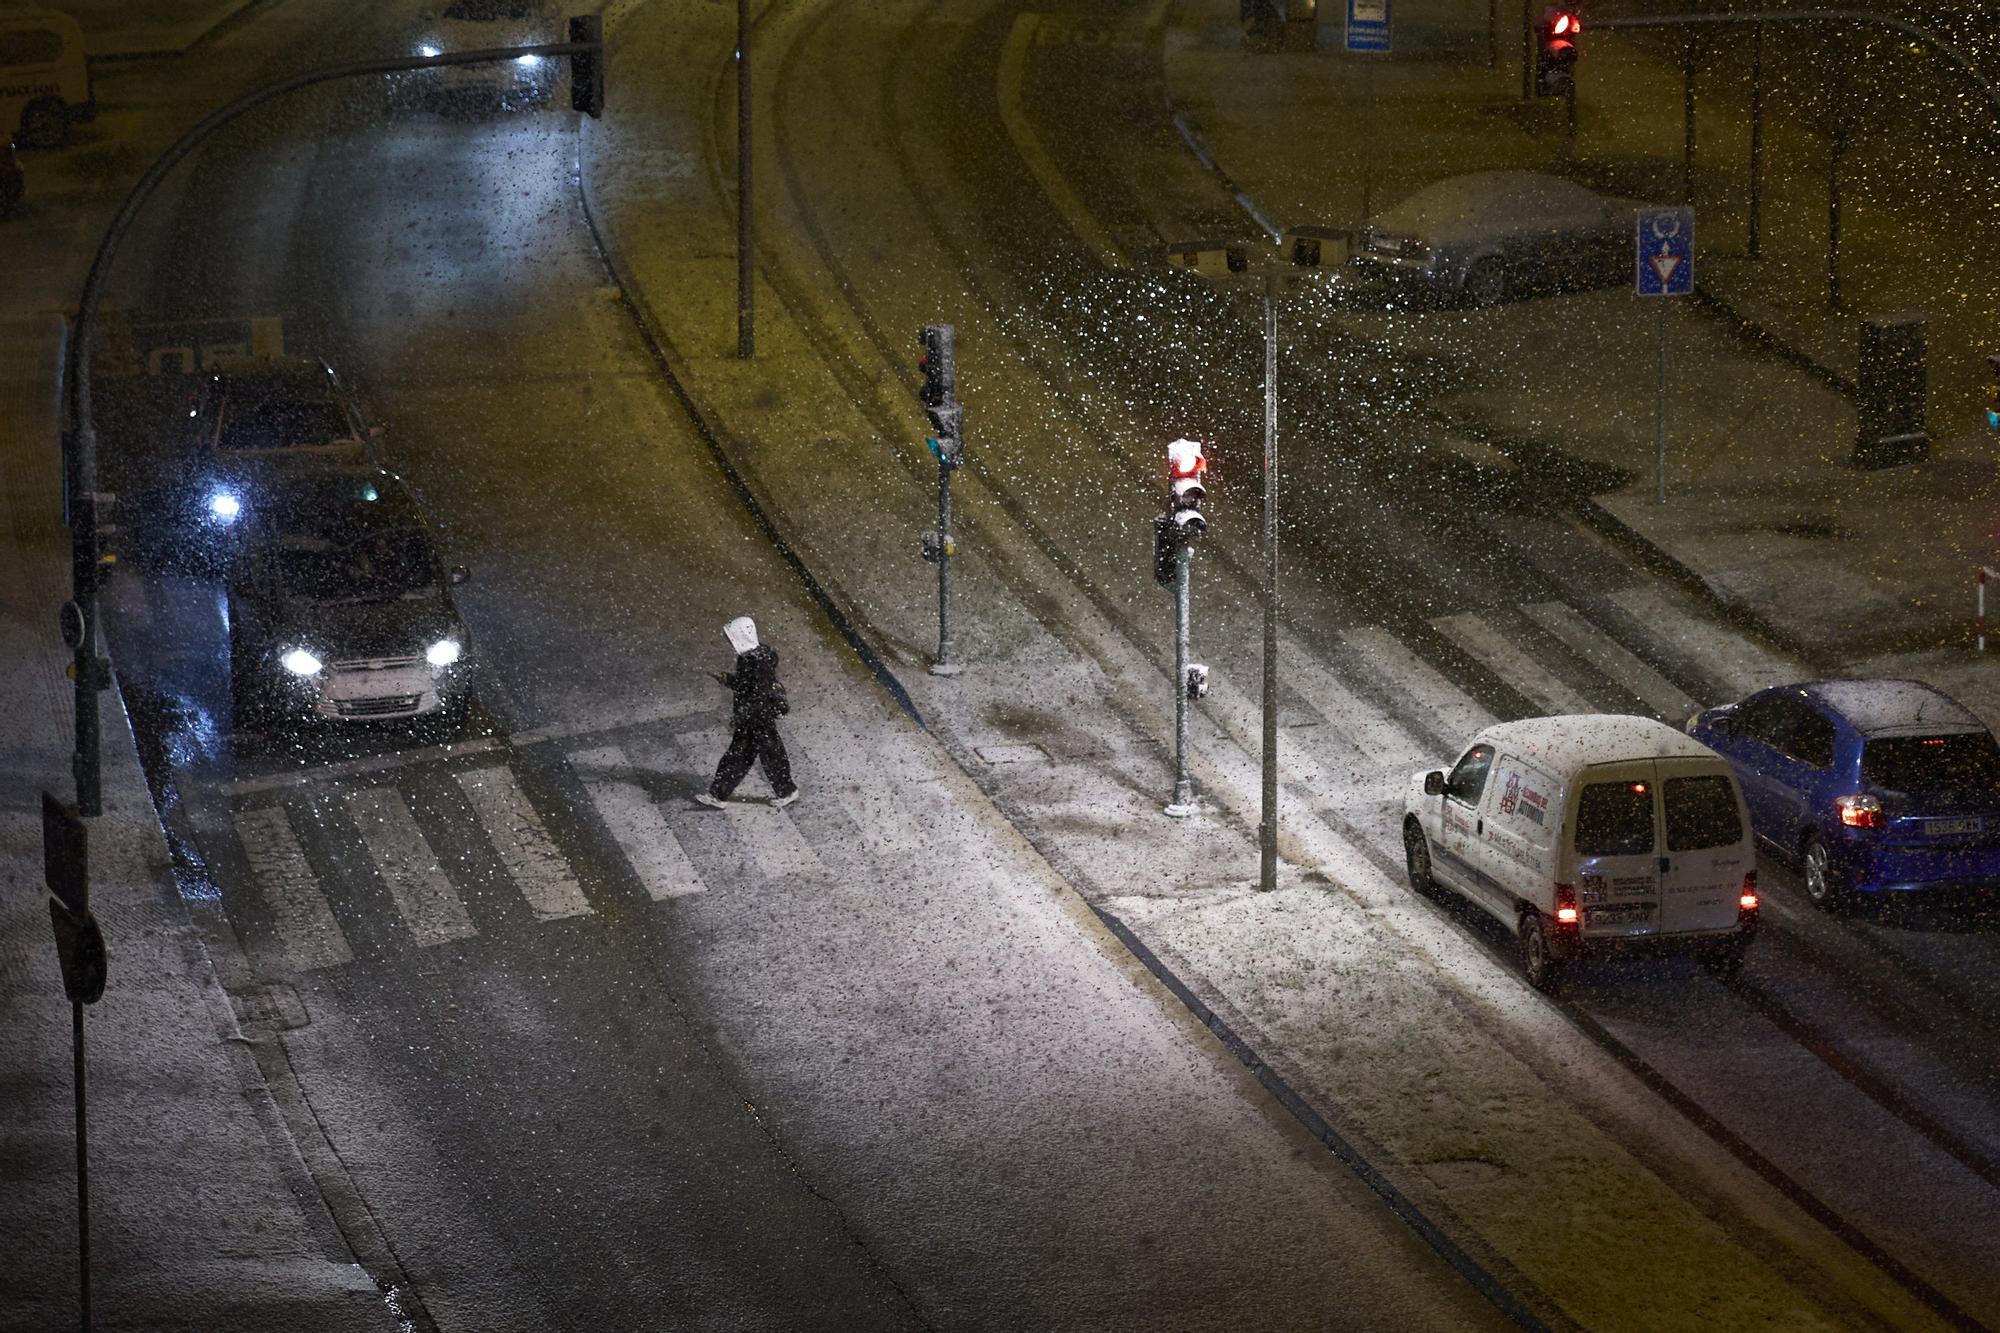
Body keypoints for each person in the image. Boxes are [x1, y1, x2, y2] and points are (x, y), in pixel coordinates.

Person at [696, 616, 799, 808]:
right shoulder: (756, 657)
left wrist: (742, 716)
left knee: (758, 754)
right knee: (751, 755)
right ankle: (719, 795)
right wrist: (728, 680)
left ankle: (719, 795)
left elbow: (755, 694)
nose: (730, 642)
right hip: (756, 717)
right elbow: (749, 687)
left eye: (732, 637)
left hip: (757, 719)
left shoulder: (755, 663)